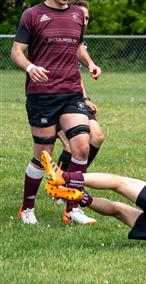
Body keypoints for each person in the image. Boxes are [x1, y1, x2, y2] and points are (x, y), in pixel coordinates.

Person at [11, 0, 101, 225]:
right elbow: (17, 51)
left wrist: (89, 63)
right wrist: (31, 68)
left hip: (71, 92)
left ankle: (72, 209)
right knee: (43, 156)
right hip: (42, 94)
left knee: (81, 145)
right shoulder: (32, 14)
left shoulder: (77, 14)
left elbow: (78, 46)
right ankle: (28, 207)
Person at [56, 0, 105, 173]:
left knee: (97, 136)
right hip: (52, 98)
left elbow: (75, 74)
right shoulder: (57, 35)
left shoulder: (80, 43)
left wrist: (85, 98)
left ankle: (74, 181)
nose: (83, 22)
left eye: (87, 18)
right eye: (81, 17)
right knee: (72, 145)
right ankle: (58, 190)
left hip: (74, 97)